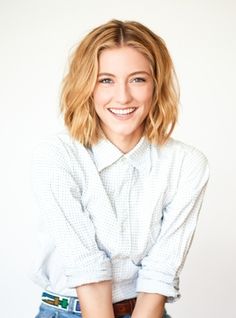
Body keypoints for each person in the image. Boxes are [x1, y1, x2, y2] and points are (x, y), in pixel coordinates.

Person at [31, 19, 209, 318]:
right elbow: (87, 268)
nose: (123, 96)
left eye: (138, 79)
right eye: (106, 80)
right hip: (68, 311)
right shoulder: (57, 156)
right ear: (86, 86)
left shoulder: (186, 164)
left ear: (157, 84)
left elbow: (161, 271)